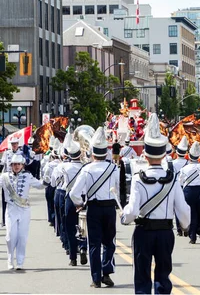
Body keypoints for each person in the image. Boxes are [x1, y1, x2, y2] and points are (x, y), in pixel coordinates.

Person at [121, 113, 191, 294]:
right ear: (163, 154)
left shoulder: (138, 179)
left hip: (144, 232)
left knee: (142, 276)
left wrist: (125, 217)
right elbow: (182, 209)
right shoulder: (172, 179)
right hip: (165, 233)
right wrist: (185, 224)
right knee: (163, 275)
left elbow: (133, 210)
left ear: (144, 154)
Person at [69, 126, 120, 288]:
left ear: (92, 152)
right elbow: (118, 189)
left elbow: (74, 193)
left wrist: (79, 205)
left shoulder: (87, 169)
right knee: (109, 242)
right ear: (106, 152)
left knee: (94, 244)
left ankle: (96, 278)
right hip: (110, 208)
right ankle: (107, 271)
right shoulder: (114, 168)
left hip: (94, 208)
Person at [0, 154, 45, 269]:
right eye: (14, 164)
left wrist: (47, 180)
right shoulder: (4, 177)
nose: (16, 166)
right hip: (11, 209)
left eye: (18, 164)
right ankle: (10, 259)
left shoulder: (27, 176)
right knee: (10, 236)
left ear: (22, 165)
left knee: (22, 236)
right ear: (11, 165)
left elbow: (39, 185)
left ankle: (20, 261)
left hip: (24, 209)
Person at [59, 136, 88, 266]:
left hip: (70, 198)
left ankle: (73, 257)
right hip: (83, 198)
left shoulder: (64, 167)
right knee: (83, 227)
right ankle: (83, 247)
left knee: (70, 227)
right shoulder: (85, 167)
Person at [179, 141, 200, 244]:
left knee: (191, 213)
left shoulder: (184, 168)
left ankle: (192, 236)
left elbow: (180, 182)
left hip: (189, 191)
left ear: (189, 156)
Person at [1, 137, 22, 226]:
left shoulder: (21, 153)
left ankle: (18, 218)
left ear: (18, 144)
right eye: (13, 144)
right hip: (7, 178)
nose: (14, 145)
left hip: (18, 178)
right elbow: (2, 164)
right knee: (5, 199)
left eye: (16, 143)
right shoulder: (7, 153)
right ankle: (5, 220)